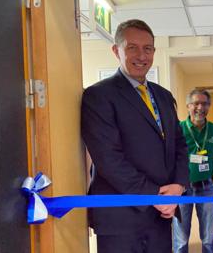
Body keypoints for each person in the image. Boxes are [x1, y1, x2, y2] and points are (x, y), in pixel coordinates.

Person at [81, 19, 188, 253]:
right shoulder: (98, 96)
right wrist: (155, 195)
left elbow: (179, 145)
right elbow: (109, 159)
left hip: (160, 216)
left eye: (147, 48)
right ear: (116, 50)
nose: (141, 55)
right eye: (132, 47)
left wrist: (178, 186)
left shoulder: (163, 96)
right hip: (121, 219)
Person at [172, 89, 213, 253]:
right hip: (182, 188)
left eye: (205, 103)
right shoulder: (178, 129)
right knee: (180, 237)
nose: (200, 107)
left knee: (208, 236)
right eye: (196, 103)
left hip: (207, 187)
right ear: (188, 106)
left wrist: (210, 171)